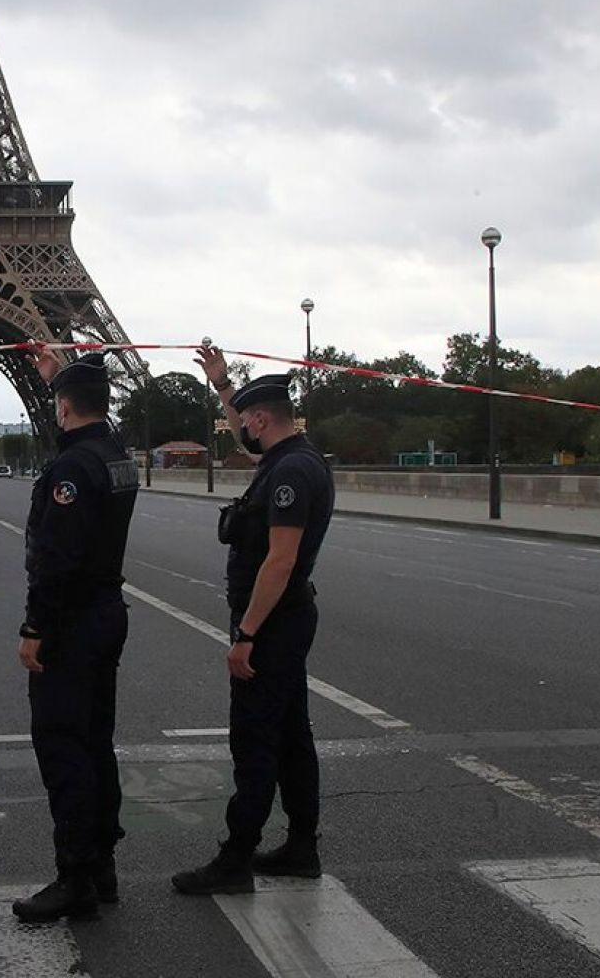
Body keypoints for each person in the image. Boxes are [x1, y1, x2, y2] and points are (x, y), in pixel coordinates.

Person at [173, 350, 335, 895]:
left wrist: (246, 634)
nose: (242, 428)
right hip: (289, 619)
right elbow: (248, 444)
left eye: (247, 419)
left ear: (263, 419)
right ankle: (301, 847)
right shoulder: (298, 458)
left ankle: (235, 859)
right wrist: (222, 385)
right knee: (292, 737)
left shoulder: (288, 473)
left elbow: (280, 561)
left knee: (255, 741)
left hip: (273, 624)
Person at [10, 350, 140, 922]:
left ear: (63, 407)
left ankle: (75, 877)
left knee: (63, 747)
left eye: (58, 403)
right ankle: (101, 864)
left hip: (72, 622)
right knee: (95, 742)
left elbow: (56, 560)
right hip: (108, 611)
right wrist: (58, 377)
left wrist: (36, 627)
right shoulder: (117, 460)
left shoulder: (70, 471)